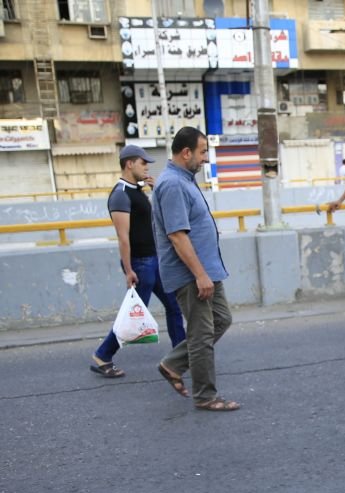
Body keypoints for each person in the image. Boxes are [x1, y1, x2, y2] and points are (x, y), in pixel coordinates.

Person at [152, 127, 238, 411]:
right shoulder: (173, 184)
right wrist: (200, 275)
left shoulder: (184, 180)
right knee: (201, 335)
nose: (205, 159)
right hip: (191, 274)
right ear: (186, 152)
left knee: (221, 319)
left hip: (207, 270)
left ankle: (173, 364)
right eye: (202, 152)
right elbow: (177, 235)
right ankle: (206, 396)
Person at [90, 145, 186, 379]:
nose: (147, 167)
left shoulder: (138, 190)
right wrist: (129, 269)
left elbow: (150, 223)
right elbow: (123, 237)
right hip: (140, 263)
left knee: (174, 305)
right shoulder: (120, 193)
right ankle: (103, 354)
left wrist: (156, 192)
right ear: (129, 163)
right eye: (143, 163)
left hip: (154, 260)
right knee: (133, 314)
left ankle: (181, 355)